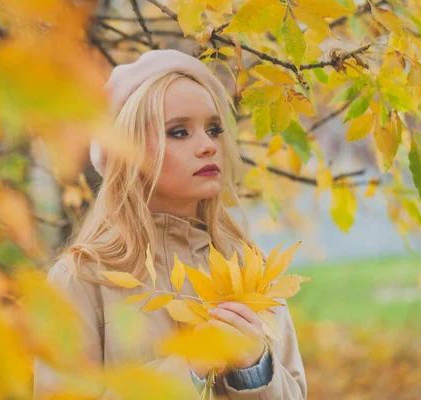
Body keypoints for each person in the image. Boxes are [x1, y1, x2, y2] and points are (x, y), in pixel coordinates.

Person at [33, 49, 307, 399]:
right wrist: (187, 368)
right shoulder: (83, 277)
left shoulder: (250, 267)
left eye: (214, 129)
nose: (208, 145)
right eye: (179, 132)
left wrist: (254, 369)